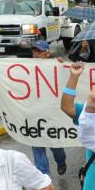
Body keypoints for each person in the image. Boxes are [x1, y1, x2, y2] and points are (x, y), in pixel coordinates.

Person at [28, 41, 67, 176]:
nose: (35, 54)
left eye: (39, 51)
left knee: (55, 145)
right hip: (33, 113)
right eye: (34, 51)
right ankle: (44, 177)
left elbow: (69, 75)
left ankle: (61, 161)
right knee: (37, 144)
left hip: (51, 114)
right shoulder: (26, 67)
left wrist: (63, 64)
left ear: (47, 53)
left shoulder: (55, 66)